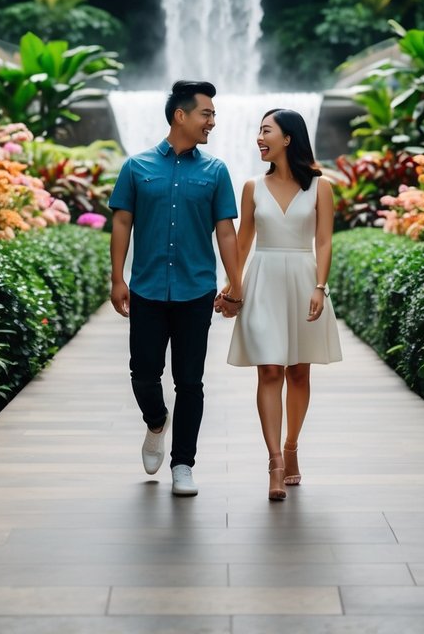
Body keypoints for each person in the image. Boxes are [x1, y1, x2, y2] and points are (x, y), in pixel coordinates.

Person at [109, 79, 243, 497]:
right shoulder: (136, 167)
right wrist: (118, 278)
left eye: (214, 115)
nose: (212, 122)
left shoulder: (216, 171)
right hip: (147, 288)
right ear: (180, 116)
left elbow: (226, 232)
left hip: (195, 292)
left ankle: (183, 464)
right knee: (143, 374)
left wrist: (235, 284)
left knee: (191, 382)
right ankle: (155, 421)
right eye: (207, 113)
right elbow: (121, 223)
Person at [224, 107, 342, 500]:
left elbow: (324, 241)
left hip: (304, 279)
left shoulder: (320, 187)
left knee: (299, 373)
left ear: (288, 138)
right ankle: (275, 460)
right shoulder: (251, 187)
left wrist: (320, 286)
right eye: (259, 131)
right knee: (270, 371)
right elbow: (243, 242)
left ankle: (292, 446)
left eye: (266, 131)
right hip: (263, 279)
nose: (259, 138)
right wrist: (232, 286)